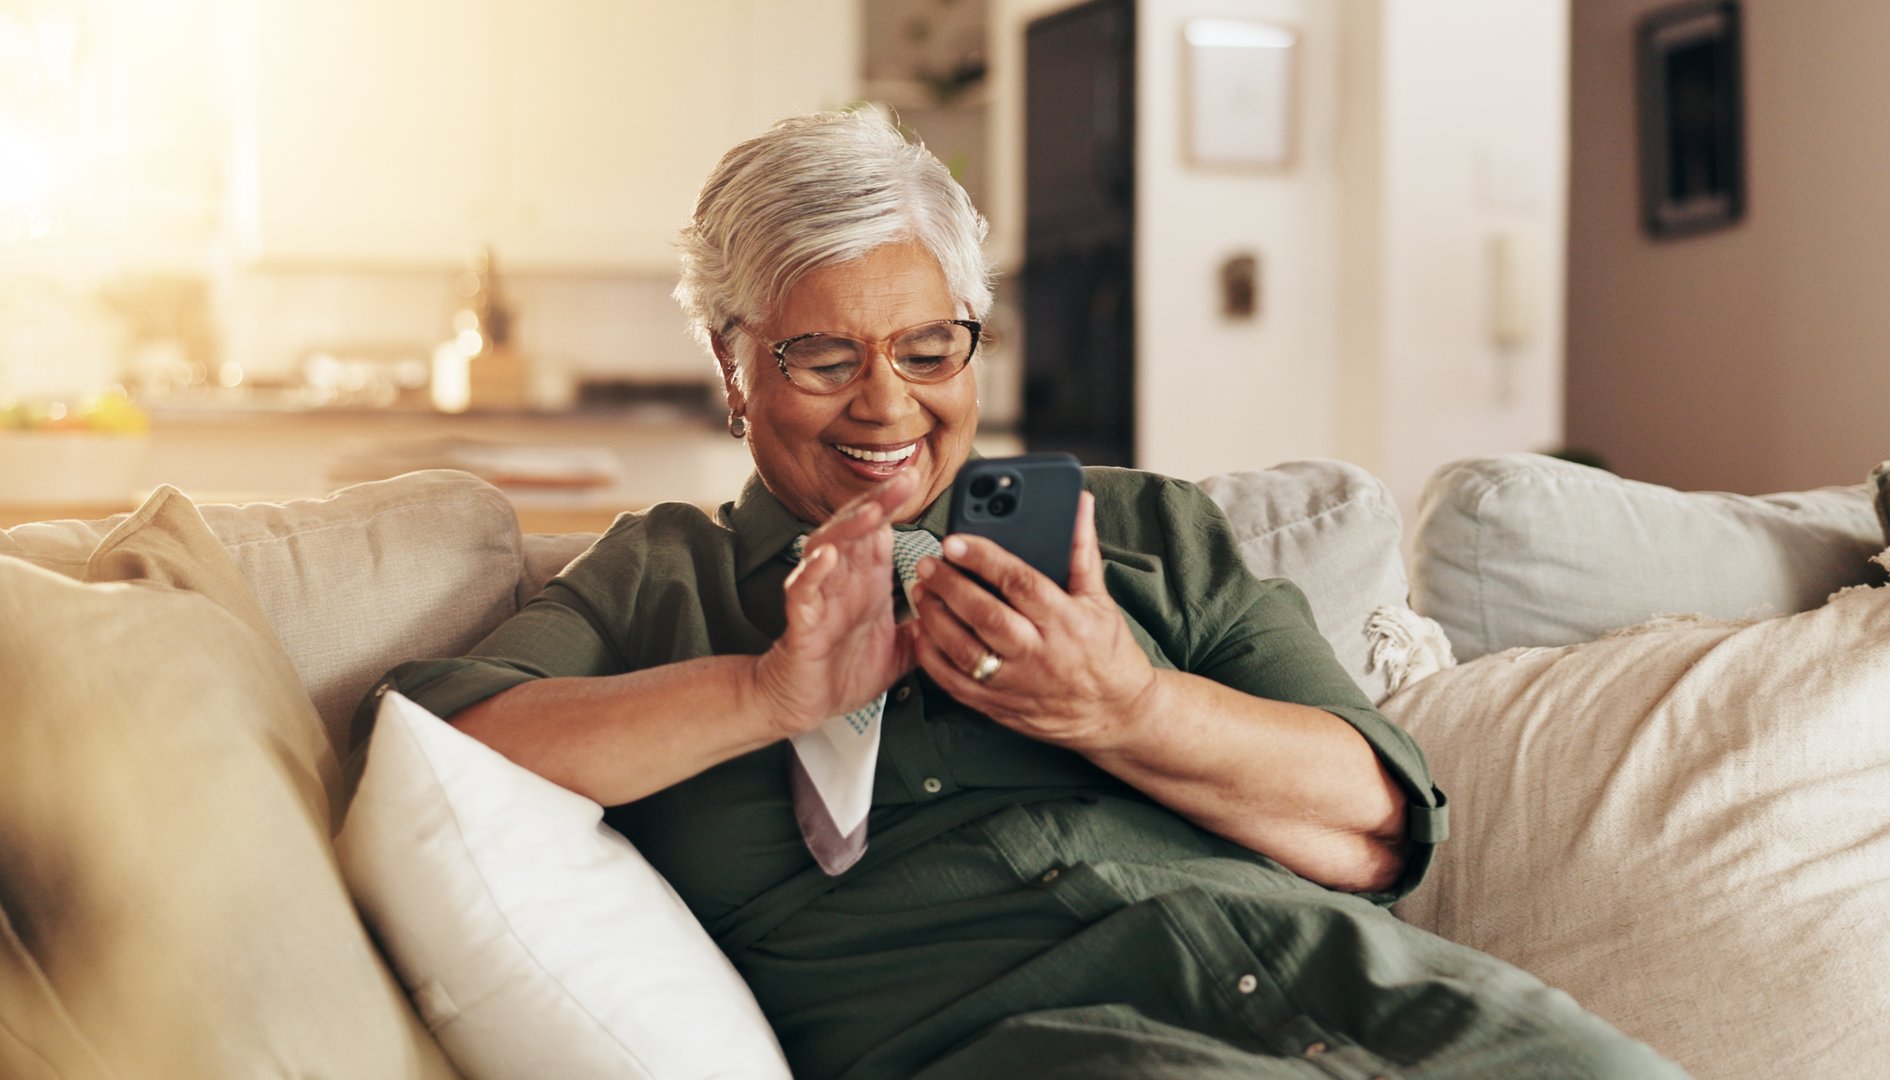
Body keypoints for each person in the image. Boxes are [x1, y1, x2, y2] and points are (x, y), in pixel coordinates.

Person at [373, 110, 1685, 1079]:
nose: (886, 406)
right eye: (820, 358)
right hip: (1022, 1047)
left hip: (1375, 993)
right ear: (732, 367)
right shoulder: (663, 577)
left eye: (928, 349)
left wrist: (1125, 708)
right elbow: (447, 749)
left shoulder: (1143, 535)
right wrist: (764, 692)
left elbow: (1378, 823)